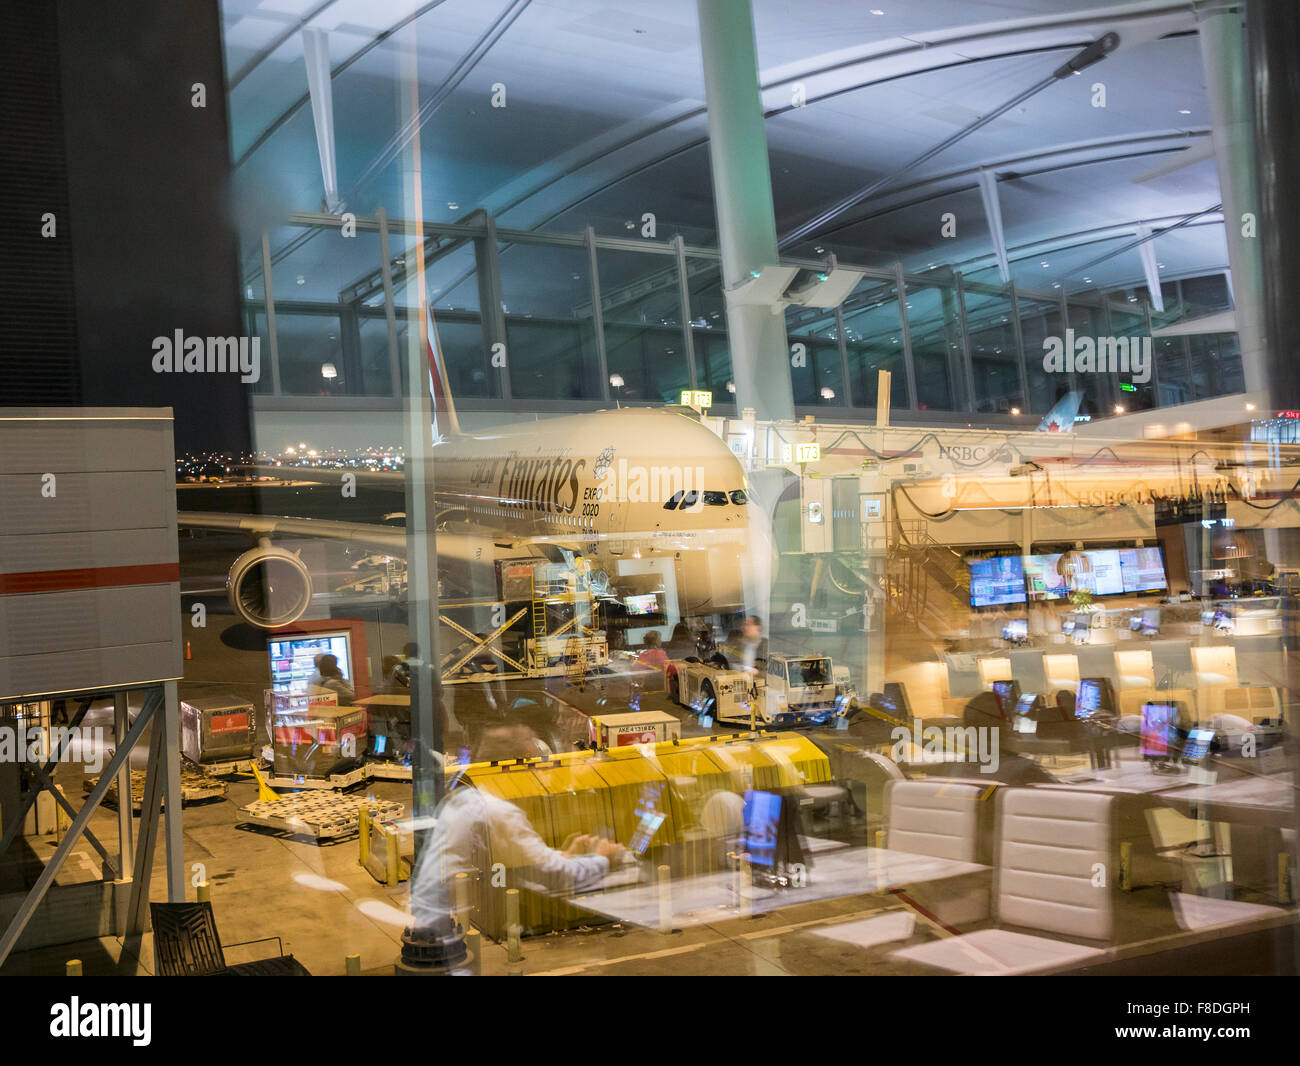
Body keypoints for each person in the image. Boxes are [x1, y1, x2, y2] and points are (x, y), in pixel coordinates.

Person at [408, 724, 627, 932]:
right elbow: (553, 875)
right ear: (521, 766)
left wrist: (565, 854)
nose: (546, 774)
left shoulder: (466, 798)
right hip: (442, 926)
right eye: (542, 766)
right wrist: (603, 858)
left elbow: (525, 858)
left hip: (432, 911)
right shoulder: (500, 812)